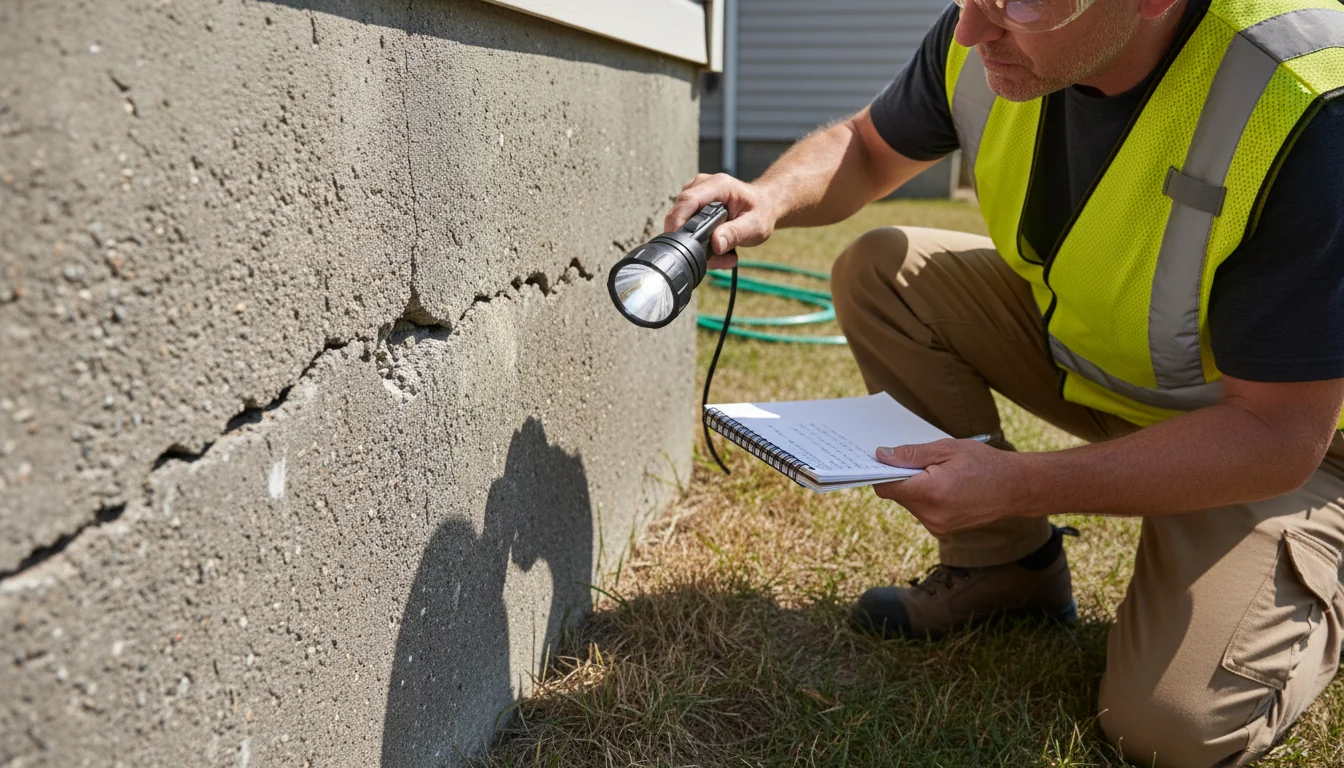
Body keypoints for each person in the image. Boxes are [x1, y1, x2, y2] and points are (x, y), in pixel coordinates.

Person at [665, 0, 1344, 765]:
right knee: (883, 271)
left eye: (1023, 4)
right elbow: (865, 145)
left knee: (1174, 729)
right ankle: (1005, 573)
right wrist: (772, 197)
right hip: (1106, 359)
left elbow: (1279, 433)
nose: (971, 31)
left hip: (1276, 437)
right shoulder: (988, 30)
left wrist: (1019, 482)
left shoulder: (1301, 100)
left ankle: (1317, 570)